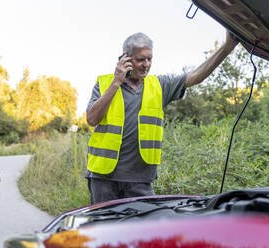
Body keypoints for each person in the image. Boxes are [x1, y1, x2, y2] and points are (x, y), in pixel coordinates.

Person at [86, 31, 238, 204]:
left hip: (141, 179)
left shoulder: (159, 85)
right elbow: (92, 119)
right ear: (125, 59)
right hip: (103, 179)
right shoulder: (105, 83)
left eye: (149, 59)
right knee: (104, 231)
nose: (146, 64)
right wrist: (116, 82)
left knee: (144, 230)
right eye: (140, 59)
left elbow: (196, 76)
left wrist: (227, 47)